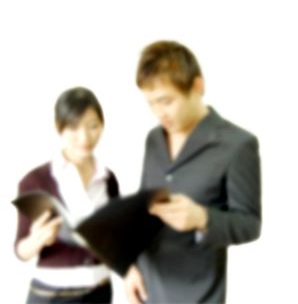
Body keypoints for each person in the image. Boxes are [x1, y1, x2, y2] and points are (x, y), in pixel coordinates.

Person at [124, 40, 262, 303]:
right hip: (148, 288)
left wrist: (202, 218)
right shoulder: (154, 139)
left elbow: (250, 225)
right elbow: (143, 210)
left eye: (166, 101)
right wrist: (132, 267)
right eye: (151, 103)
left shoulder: (237, 145)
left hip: (198, 294)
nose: (158, 113)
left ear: (198, 86)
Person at [15, 87, 120, 303]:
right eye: (73, 128)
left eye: (93, 126)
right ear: (58, 128)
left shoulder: (108, 179)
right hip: (52, 296)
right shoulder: (35, 181)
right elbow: (21, 251)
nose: (84, 137)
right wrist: (37, 240)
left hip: (99, 292)